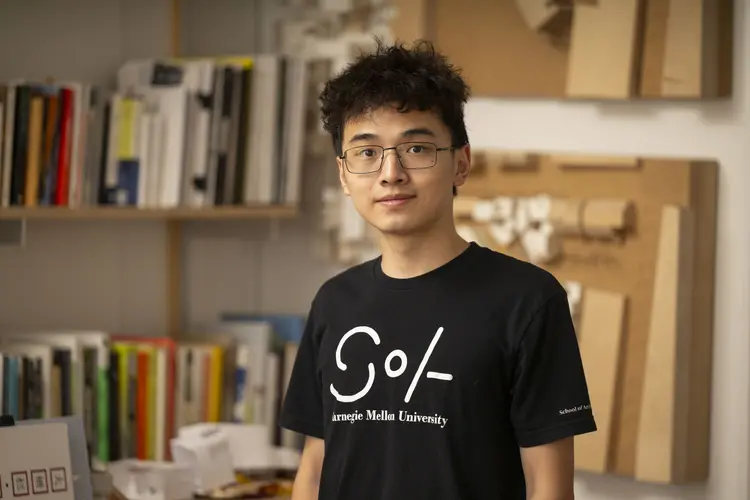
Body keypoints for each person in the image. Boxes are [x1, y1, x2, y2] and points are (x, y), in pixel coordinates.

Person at [279, 39, 596, 500]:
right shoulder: (334, 301)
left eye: (416, 148)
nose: (391, 172)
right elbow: (313, 467)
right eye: (367, 153)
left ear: (460, 164)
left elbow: (548, 486)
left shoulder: (527, 299)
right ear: (345, 176)